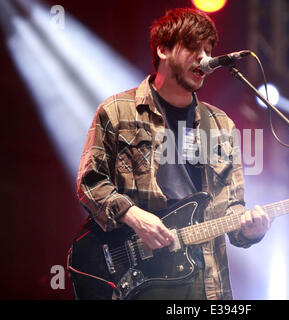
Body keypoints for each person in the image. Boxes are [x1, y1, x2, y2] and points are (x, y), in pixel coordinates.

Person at [76, 7, 271, 300]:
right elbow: (90, 183)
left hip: (206, 282)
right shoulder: (117, 111)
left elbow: (231, 207)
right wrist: (132, 215)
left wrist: (251, 230)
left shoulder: (221, 125)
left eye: (208, 50)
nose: (205, 59)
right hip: (139, 279)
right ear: (163, 49)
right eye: (194, 48)